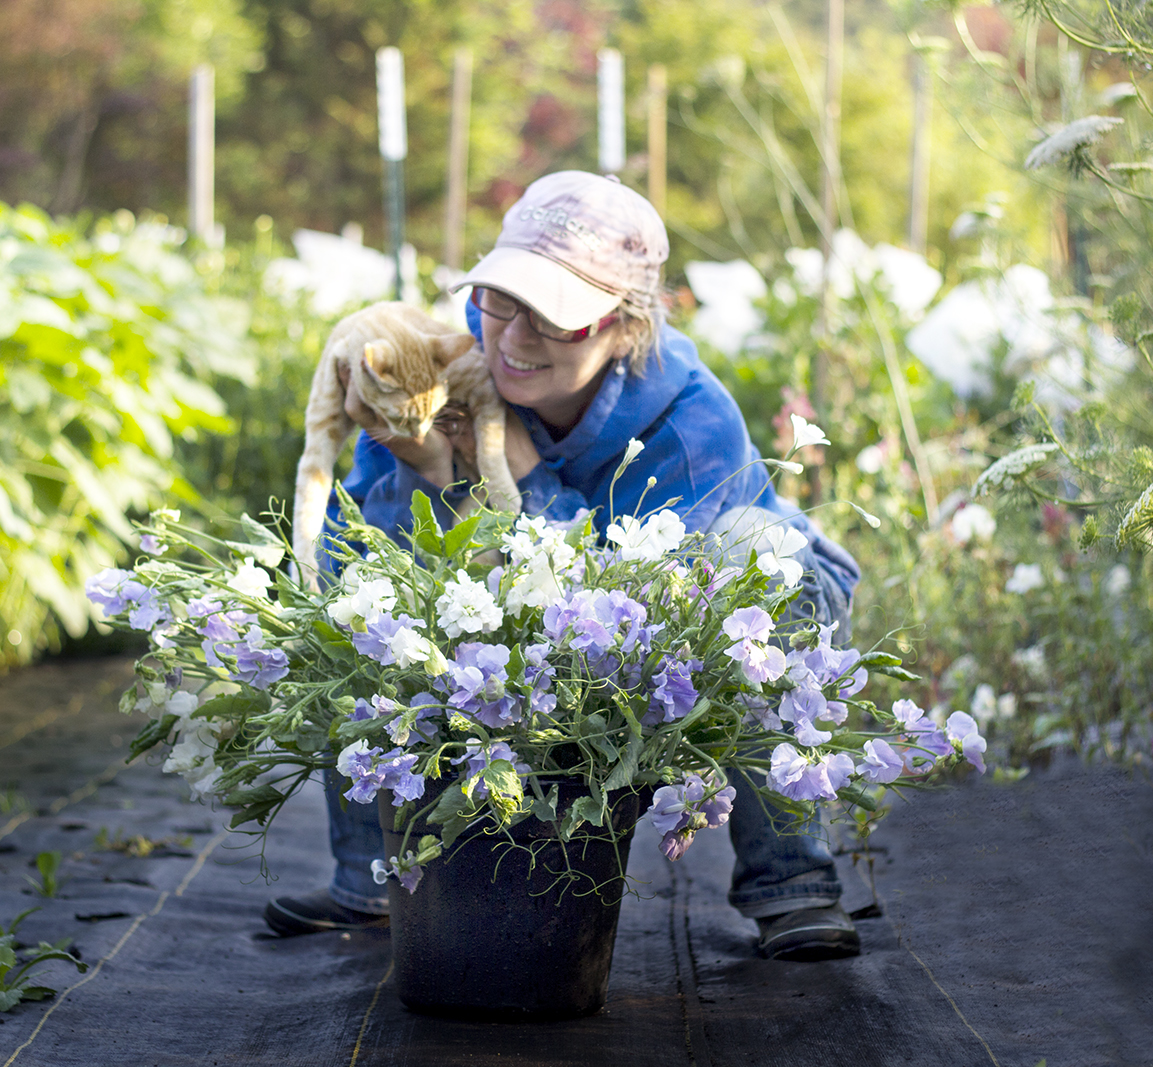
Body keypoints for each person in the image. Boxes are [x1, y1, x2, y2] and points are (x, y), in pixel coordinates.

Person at [263, 171, 864, 961]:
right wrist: (421, 465)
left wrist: (521, 472)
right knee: (362, 598)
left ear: (627, 327)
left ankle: (793, 883)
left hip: (714, 607)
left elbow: (619, 617)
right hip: (574, 611)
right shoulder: (443, 370)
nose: (511, 340)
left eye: (554, 319)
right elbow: (348, 555)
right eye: (499, 302)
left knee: (756, 557)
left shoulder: (690, 416)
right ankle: (373, 878)